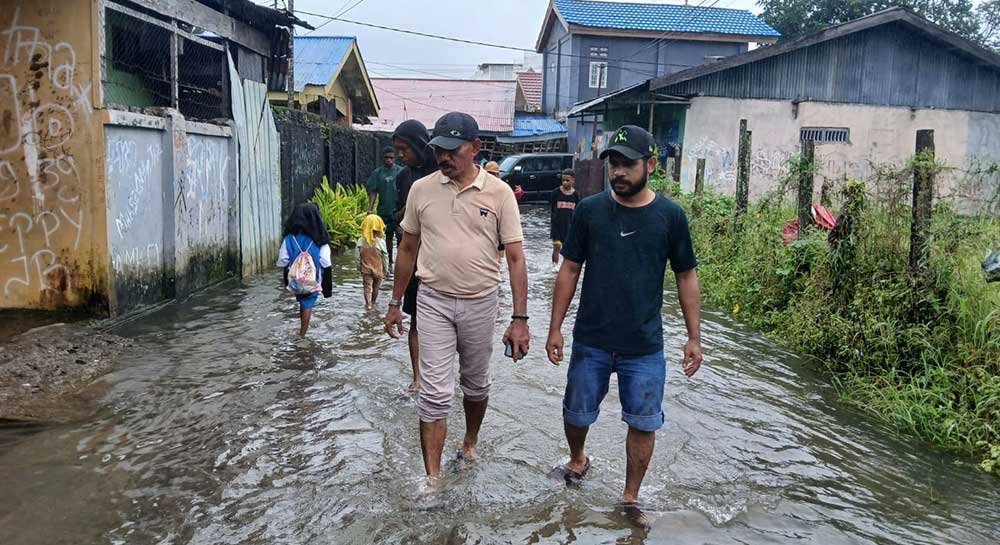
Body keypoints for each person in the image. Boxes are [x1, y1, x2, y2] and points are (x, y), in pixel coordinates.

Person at [545, 125, 703, 526]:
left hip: (644, 344)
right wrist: (555, 327)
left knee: (643, 420)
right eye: (613, 163)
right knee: (577, 412)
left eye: (627, 164)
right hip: (592, 339)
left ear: (650, 164)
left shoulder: (670, 217)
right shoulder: (590, 210)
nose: (618, 171)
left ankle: (630, 498)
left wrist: (694, 337)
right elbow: (570, 269)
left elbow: (686, 275)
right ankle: (578, 459)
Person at [384, 112, 529, 486]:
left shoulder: (498, 193)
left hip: (481, 302)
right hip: (432, 300)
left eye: (453, 150)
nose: (444, 157)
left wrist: (520, 319)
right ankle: (432, 482)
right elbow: (408, 248)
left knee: (476, 384)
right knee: (433, 393)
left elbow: (515, 257)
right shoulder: (422, 189)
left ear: (475, 148)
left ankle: (470, 440)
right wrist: (395, 303)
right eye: (439, 150)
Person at [393, 119, 438, 393]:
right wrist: (412, 211)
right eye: (397, 149)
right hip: (413, 257)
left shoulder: (443, 171)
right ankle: (418, 377)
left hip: (440, 259)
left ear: (420, 146)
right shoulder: (403, 178)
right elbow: (399, 216)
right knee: (416, 320)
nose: (401, 155)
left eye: (404, 148)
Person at [277, 203, 333, 337]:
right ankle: (302, 336)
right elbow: (326, 262)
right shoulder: (320, 240)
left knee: (302, 300)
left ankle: (301, 329)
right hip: (312, 280)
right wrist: (327, 287)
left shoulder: (289, 239)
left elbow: (282, 261)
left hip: (294, 279)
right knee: (308, 302)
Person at [367, 146, 403, 266]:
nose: (389, 160)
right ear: (383, 158)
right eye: (387, 158)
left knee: (400, 235)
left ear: (395, 158)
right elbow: (373, 192)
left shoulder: (401, 171)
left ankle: (400, 261)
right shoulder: (378, 173)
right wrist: (370, 209)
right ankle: (389, 262)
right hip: (384, 210)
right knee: (387, 236)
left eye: (391, 158)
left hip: (399, 210)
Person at [357, 214, 390, 311]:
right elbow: (385, 257)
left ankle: (368, 304)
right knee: (376, 287)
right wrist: (386, 269)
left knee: (367, 287)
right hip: (378, 270)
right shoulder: (380, 242)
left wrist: (358, 267)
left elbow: (357, 256)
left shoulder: (360, 241)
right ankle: (374, 302)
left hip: (365, 269)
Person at [549, 168, 579, 264]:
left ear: (573, 180)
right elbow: (552, 209)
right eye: (563, 180)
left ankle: (564, 267)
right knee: (557, 246)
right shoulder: (556, 193)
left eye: (567, 180)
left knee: (568, 249)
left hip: (569, 226)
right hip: (557, 226)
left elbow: (577, 212)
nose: (564, 182)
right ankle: (554, 267)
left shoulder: (576, 195)